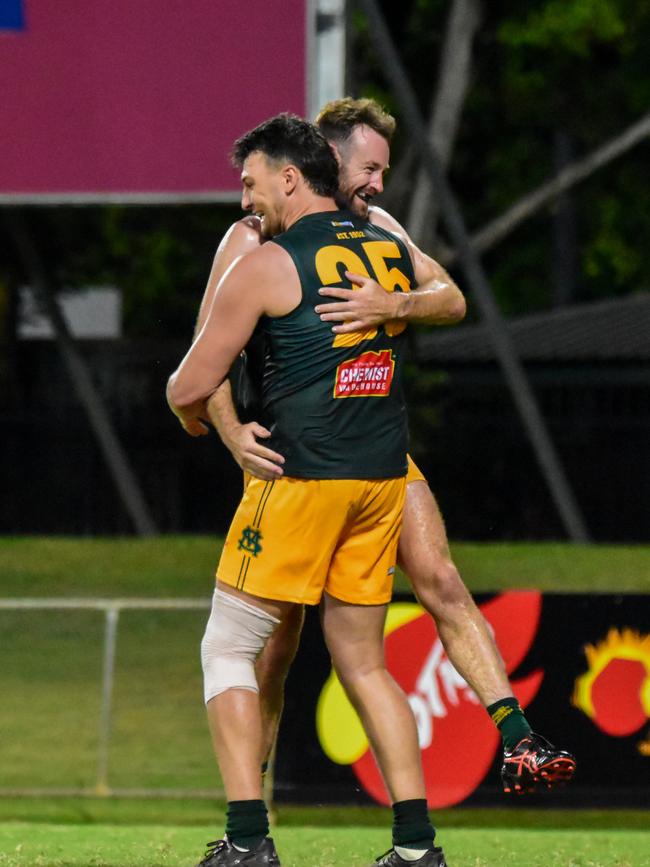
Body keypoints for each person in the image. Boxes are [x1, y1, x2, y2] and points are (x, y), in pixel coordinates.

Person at [195, 97, 577, 798]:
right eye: (370, 168)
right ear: (327, 160)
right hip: (299, 459)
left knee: (438, 577)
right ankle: (253, 801)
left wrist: (393, 304)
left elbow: (450, 296)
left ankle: (518, 736)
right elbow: (205, 357)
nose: (378, 184)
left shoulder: (379, 227)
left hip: (373, 450)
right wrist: (228, 431)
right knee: (278, 647)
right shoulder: (251, 239)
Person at [168, 114, 449, 867]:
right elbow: (444, 298)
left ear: (290, 177)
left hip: (299, 479)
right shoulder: (386, 248)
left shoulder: (268, 262)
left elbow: (193, 381)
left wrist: (193, 409)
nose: (245, 201)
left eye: (252, 182)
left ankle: (248, 838)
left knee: (227, 648)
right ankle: (418, 847)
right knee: (364, 663)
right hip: (381, 478)